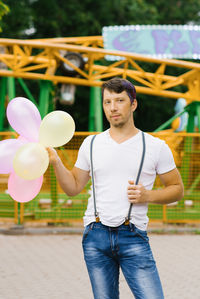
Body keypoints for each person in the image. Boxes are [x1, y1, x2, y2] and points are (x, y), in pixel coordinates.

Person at [48, 77, 184, 299]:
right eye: (107, 102)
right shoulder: (90, 144)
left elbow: (177, 189)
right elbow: (73, 187)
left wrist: (148, 195)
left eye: (119, 100)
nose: (113, 108)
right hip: (95, 236)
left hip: (133, 236)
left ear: (133, 104)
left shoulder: (155, 146)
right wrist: (56, 162)